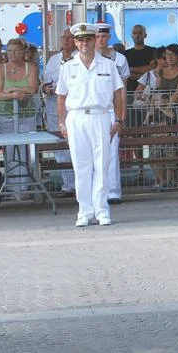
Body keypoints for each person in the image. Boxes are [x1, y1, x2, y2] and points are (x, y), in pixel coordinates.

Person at [57, 23, 126, 227]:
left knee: (102, 165)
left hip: (101, 116)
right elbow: (61, 96)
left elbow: (118, 93)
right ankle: (84, 211)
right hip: (77, 117)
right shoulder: (68, 66)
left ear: (94, 40)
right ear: (75, 42)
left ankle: (102, 210)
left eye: (88, 39)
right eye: (80, 40)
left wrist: (118, 119)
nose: (84, 43)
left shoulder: (108, 64)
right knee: (81, 167)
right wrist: (62, 122)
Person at [0, 37, 40, 195]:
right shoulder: (1, 68)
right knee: (9, 150)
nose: (13, 54)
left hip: (26, 114)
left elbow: (33, 88)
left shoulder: (31, 67)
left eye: (16, 51)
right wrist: (15, 95)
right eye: (10, 51)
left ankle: (25, 187)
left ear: (23, 52)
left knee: (25, 150)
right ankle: (12, 188)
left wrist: (12, 89)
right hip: (5, 114)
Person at [148, 44, 178, 189]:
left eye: (173, 54)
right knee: (157, 145)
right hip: (159, 113)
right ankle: (161, 180)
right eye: (167, 54)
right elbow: (156, 91)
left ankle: (177, 179)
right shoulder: (161, 72)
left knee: (174, 146)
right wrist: (155, 107)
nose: (170, 57)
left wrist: (166, 108)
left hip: (175, 112)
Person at [96, 24, 130, 202]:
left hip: (111, 108)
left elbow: (122, 89)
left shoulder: (120, 59)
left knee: (111, 151)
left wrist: (121, 114)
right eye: (97, 36)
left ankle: (113, 191)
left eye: (103, 36)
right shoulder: (88, 58)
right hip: (95, 108)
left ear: (108, 37)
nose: (100, 39)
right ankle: (97, 191)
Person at [42, 30, 78, 195]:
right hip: (54, 107)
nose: (66, 40)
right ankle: (68, 185)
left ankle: (80, 185)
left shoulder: (80, 58)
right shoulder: (53, 60)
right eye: (64, 37)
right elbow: (44, 83)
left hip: (73, 107)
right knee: (60, 147)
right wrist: (46, 89)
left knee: (76, 146)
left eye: (70, 37)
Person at [123, 24, 158, 125]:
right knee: (132, 125)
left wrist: (132, 69)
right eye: (134, 33)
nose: (137, 35)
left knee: (148, 124)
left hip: (149, 96)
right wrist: (146, 73)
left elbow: (153, 68)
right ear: (131, 35)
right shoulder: (126, 54)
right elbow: (126, 74)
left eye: (139, 33)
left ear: (145, 35)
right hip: (130, 93)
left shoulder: (153, 51)